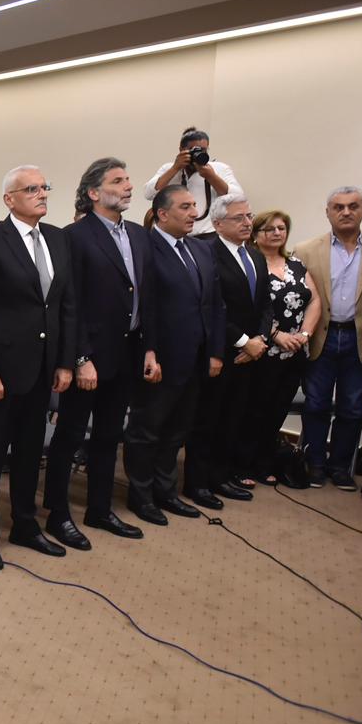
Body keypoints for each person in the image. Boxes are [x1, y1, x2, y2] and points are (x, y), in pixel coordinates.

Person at [0, 166, 76, 570]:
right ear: (9, 199)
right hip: (3, 372)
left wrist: (65, 362)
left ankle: (25, 525)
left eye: (45, 187)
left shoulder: (57, 239)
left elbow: (65, 306)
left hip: (43, 368)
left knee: (30, 452)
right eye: (31, 189)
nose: (42, 194)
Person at [43, 159, 148, 546]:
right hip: (88, 356)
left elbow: (144, 295)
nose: (128, 186)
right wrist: (81, 358)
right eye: (117, 181)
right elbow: (70, 303)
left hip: (127, 351)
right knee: (70, 436)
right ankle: (57, 514)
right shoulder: (74, 236)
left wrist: (149, 349)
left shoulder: (137, 235)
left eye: (128, 179)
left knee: (108, 435)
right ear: (93, 192)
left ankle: (100, 510)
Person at [124, 186, 225, 526]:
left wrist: (215, 352)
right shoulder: (144, 249)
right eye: (185, 206)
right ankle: (141, 496)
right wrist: (150, 351)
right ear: (163, 214)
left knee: (176, 430)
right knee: (147, 430)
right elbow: (145, 307)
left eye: (194, 205)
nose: (194, 212)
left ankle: (165, 492)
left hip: (196, 358)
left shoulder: (201, 249)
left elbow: (214, 304)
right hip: (159, 358)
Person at [182, 193, 272, 508]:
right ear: (218, 223)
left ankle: (221, 476)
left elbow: (265, 304)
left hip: (251, 353)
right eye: (239, 218)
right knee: (208, 419)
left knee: (234, 417)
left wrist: (260, 339)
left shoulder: (255, 256)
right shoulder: (207, 253)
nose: (247, 222)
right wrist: (244, 341)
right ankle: (197, 483)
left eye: (249, 216)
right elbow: (212, 305)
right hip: (220, 350)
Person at [293, 186, 362, 490]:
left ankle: (339, 467)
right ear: (328, 213)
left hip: (359, 341)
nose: (346, 212)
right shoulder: (305, 250)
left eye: (353, 206)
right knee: (316, 404)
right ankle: (314, 464)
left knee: (352, 407)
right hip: (320, 338)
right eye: (338, 207)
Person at [246, 210, 319, 483]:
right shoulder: (252, 264)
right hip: (264, 350)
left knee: (278, 410)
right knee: (255, 410)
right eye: (269, 229)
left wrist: (305, 333)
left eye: (281, 228)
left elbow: (315, 300)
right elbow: (249, 308)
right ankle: (243, 466)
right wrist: (276, 334)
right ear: (256, 234)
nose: (277, 233)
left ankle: (264, 465)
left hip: (296, 351)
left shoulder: (296, 264)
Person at [142, 126, 243, 237]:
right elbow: (148, 194)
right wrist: (175, 168)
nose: (198, 154)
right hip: (175, 235)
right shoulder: (169, 169)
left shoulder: (219, 169)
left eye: (203, 150)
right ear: (181, 150)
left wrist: (211, 177)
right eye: (193, 150)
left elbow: (237, 197)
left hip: (208, 235)